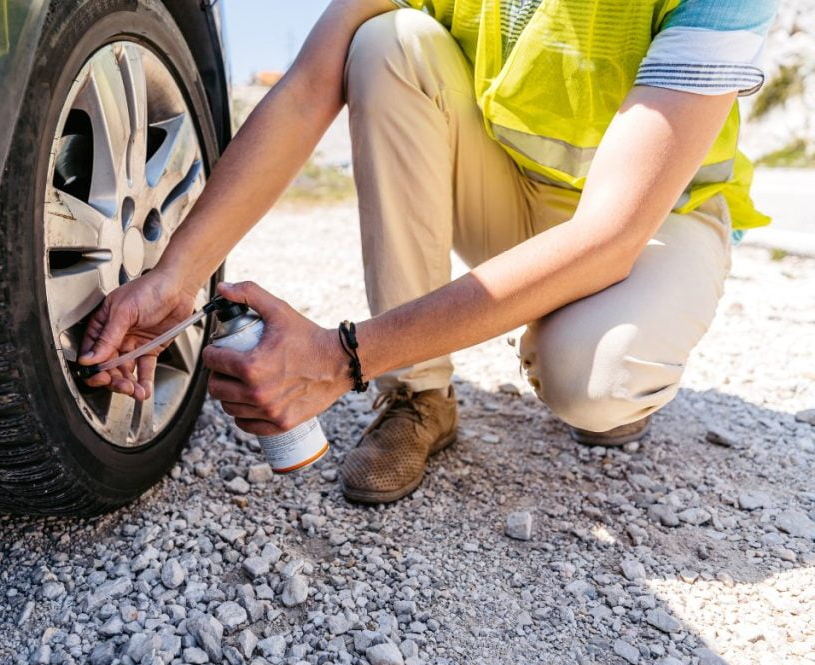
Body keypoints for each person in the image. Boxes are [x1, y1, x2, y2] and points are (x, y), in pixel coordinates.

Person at [79, 0, 779, 504]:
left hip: (653, 221)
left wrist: (338, 356)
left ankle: (609, 369)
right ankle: (418, 396)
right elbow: (302, 94)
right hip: (510, 191)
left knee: (592, 377)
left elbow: (609, 236)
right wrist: (178, 273)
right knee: (386, 42)